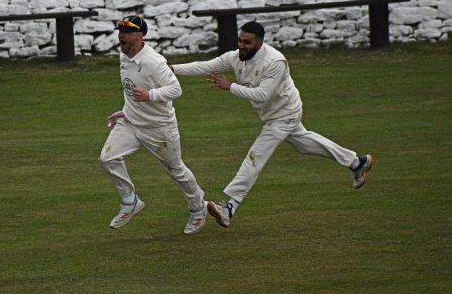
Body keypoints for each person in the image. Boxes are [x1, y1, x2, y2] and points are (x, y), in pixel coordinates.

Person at [170, 21, 373, 228]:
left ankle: (229, 208)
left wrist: (229, 86)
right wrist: (171, 69)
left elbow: (262, 94)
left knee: (254, 158)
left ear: (260, 43)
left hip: (284, 114)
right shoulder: (236, 57)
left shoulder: (275, 61)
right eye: (240, 40)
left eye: (247, 42)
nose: (241, 45)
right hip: (274, 115)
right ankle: (357, 162)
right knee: (303, 144)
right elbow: (206, 65)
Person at [99, 15, 208, 234]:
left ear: (139, 36)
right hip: (130, 122)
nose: (121, 36)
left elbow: (176, 89)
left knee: (176, 170)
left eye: (126, 32)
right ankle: (130, 201)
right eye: (119, 31)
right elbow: (131, 88)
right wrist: (125, 109)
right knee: (107, 158)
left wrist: (150, 94)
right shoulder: (124, 56)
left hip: (159, 128)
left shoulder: (154, 62)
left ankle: (198, 210)